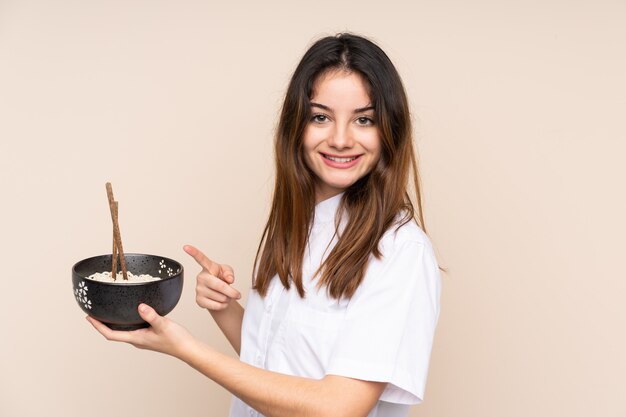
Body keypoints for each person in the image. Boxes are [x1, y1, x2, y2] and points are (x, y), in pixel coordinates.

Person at [88, 32, 442, 417]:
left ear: (389, 130)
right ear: (296, 126)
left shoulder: (401, 252)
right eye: (321, 117)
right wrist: (223, 309)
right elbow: (276, 364)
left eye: (364, 119)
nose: (341, 139)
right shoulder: (295, 226)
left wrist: (185, 348)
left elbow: (337, 408)